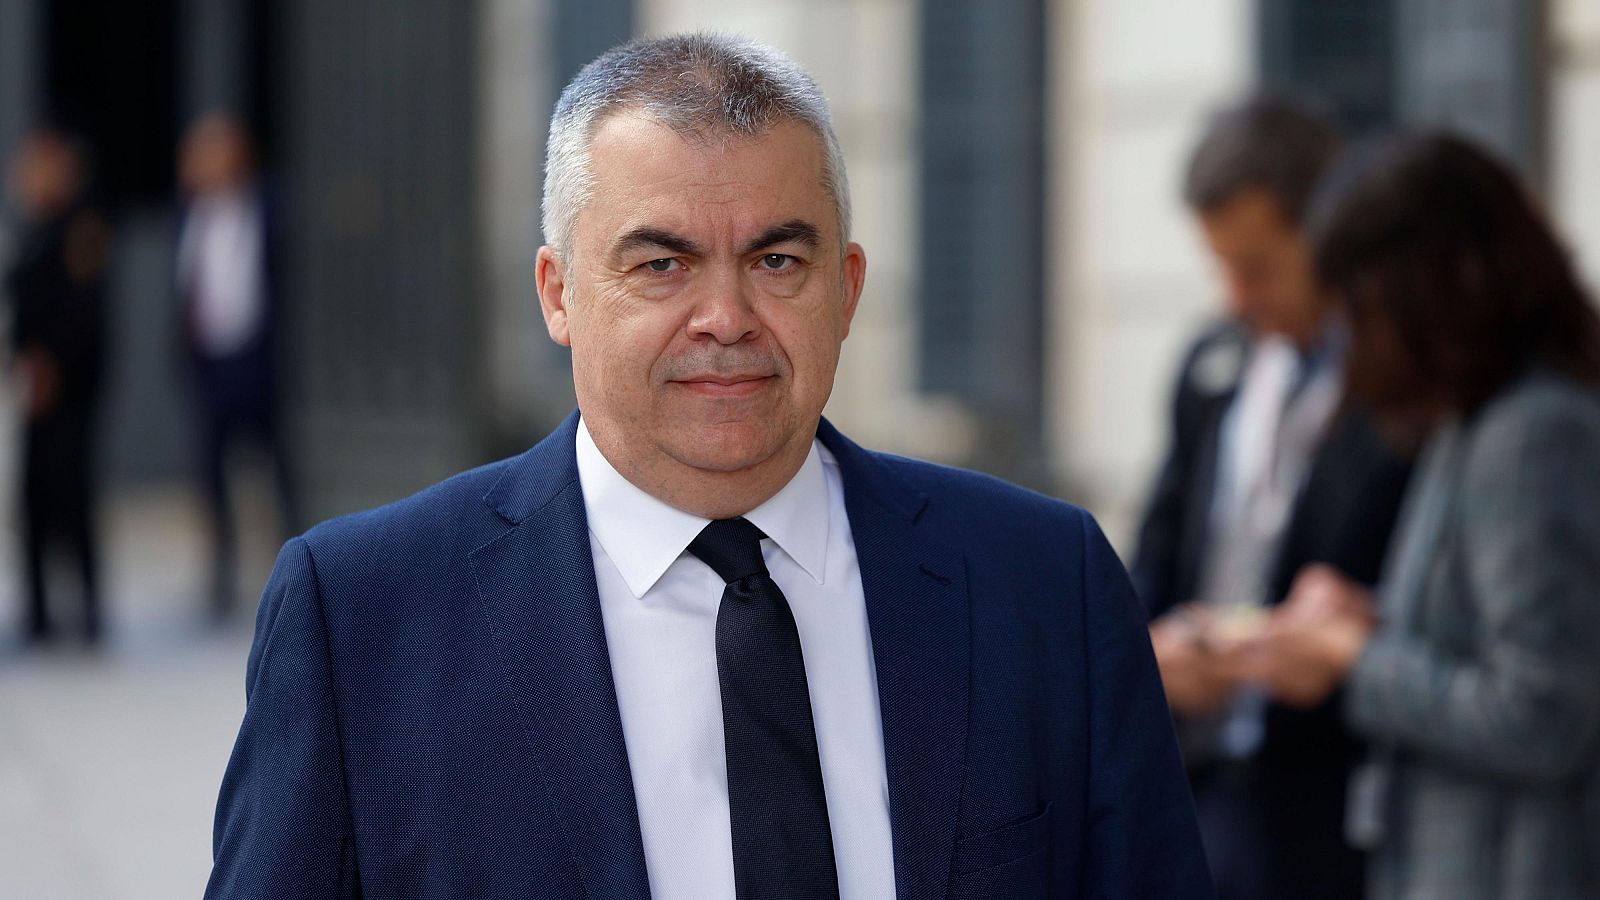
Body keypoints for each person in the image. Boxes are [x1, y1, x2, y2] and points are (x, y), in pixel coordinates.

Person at [205, 34, 1211, 899]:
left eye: (777, 261)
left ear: (847, 289)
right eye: (661, 265)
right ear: (557, 293)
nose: (725, 318)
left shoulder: (1047, 585)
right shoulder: (363, 619)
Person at [1257, 132, 1600, 899]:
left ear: (1426, 292)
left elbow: (1545, 712)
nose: (1354, 342)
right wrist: (1373, 622)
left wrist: (1355, 657)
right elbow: (1486, 640)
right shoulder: (1477, 419)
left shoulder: (1529, 435)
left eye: (1361, 310)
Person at [1130, 97, 1412, 899]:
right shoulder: (1209, 366)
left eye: (1255, 268)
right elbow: (1157, 557)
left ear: (1329, 235)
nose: (1233, 296)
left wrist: (1340, 639)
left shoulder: (1404, 385)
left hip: (1337, 808)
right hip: (1195, 787)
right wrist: (1149, 652)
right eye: (1220, 267)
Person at [176, 112, 295, 620]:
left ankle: (293, 564)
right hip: (211, 362)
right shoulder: (191, 216)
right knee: (212, 472)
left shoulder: (267, 209)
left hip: (258, 357)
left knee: (275, 468)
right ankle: (221, 575)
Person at [4, 129, 109, 646]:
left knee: (73, 499)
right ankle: (39, 613)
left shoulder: (81, 228)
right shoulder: (31, 230)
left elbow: (86, 314)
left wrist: (53, 367)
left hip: (70, 392)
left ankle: (87, 611)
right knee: (34, 501)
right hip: (33, 392)